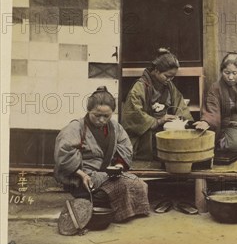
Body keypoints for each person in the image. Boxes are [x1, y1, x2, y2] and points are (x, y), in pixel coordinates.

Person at [54, 86, 150, 223]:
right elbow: (64, 153)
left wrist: (118, 166)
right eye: (97, 115)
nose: (101, 120)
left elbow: (125, 148)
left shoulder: (115, 127)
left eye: (106, 116)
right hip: (83, 177)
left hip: (106, 174)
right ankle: (105, 207)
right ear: (88, 110)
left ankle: (119, 208)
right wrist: (81, 174)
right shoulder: (76, 127)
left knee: (138, 184)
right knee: (121, 187)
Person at [122, 48, 193, 160]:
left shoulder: (169, 85)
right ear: (156, 70)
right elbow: (133, 114)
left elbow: (180, 104)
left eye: (172, 77)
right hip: (146, 134)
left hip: (165, 129)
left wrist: (183, 120)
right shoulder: (140, 87)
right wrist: (158, 121)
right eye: (167, 76)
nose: (170, 80)